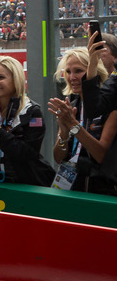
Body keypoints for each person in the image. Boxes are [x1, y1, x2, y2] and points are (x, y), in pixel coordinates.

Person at [0, 56, 55, 186]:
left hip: (24, 185)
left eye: (0, 77)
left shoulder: (31, 112)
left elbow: (28, 155)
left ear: (15, 80)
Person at [48, 48, 117, 194]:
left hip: (103, 191)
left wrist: (73, 125)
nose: (72, 77)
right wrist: (64, 134)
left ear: (94, 71)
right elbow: (58, 158)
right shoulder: (71, 105)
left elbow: (101, 155)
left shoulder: (111, 107)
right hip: (71, 188)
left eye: (78, 71)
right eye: (68, 71)